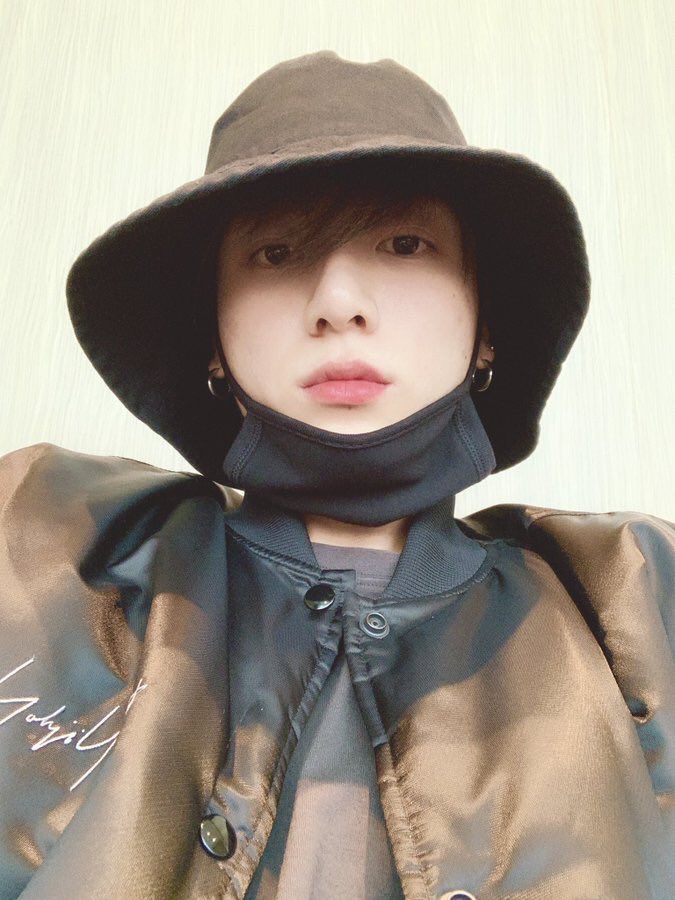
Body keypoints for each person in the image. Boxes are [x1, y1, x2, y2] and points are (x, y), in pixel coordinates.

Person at [0, 51, 672, 900]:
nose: (338, 301)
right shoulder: (43, 546)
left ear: (484, 320)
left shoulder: (635, 602)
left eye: (404, 243)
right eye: (276, 252)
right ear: (212, 338)